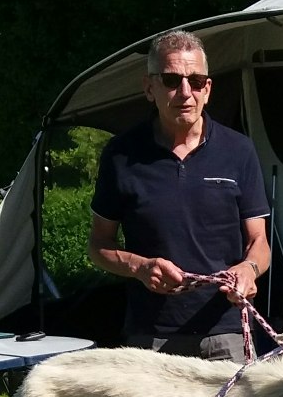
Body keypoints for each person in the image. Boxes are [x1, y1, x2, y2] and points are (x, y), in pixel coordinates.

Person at [89, 30, 270, 360]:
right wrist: (139, 266)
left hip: (225, 332)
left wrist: (248, 269)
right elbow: (98, 245)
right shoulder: (121, 155)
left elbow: (259, 242)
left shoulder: (239, 150)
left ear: (207, 89)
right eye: (171, 80)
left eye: (196, 81)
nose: (185, 92)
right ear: (149, 88)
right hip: (151, 336)